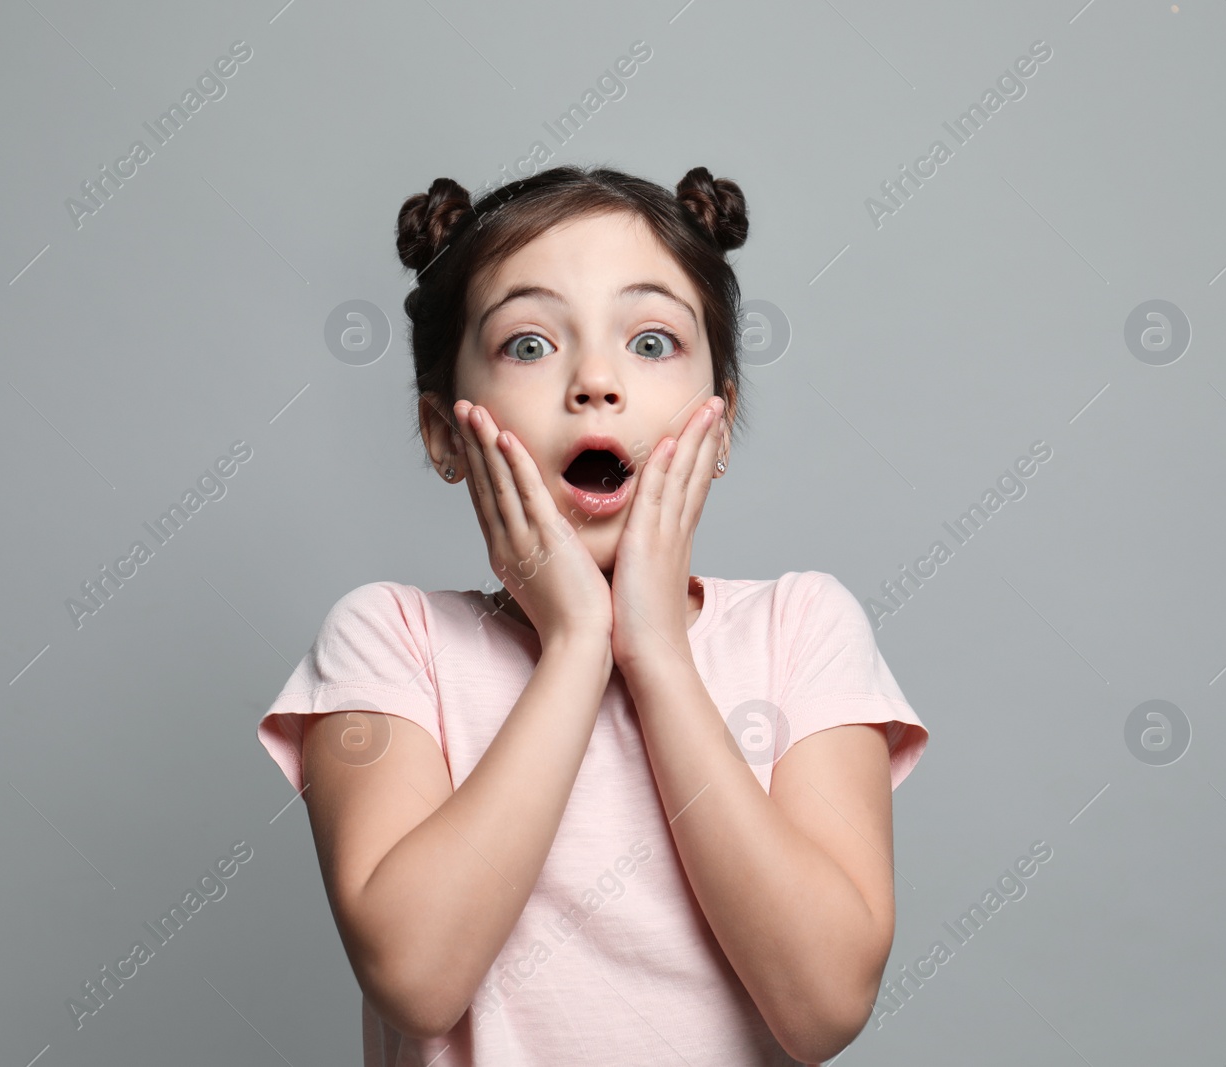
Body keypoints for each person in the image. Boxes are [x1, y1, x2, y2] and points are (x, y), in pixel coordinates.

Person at [257, 164, 930, 1065]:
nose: (597, 382)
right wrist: (577, 644)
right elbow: (417, 977)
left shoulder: (801, 630)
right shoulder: (390, 641)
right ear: (445, 434)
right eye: (529, 345)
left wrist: (655, 650)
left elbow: (824, 1005)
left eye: (652, 343)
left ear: (718, 424)